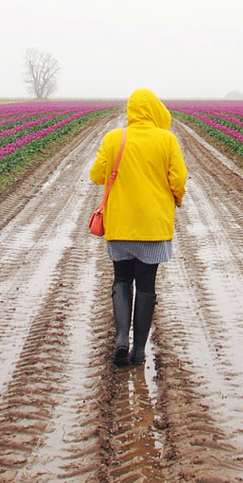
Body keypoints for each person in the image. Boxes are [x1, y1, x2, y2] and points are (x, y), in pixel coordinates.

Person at [90, 88, 187, 366]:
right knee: (146, 283)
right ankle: (139, 351)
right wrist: (176, 199)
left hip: (120, 226)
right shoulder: (166, 140)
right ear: (154, 110)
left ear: (131, 110)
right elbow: (178, 180)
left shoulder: (114, 139)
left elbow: (96, 175)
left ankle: (121, 341)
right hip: (153, 229)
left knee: (121, 279)